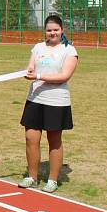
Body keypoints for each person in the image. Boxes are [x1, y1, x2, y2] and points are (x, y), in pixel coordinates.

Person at [18, 15, 78, 193]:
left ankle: (52, 180)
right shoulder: (38, 47)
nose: (52, 33)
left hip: (56, 101)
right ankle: (32, 177)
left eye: (55, 30)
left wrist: (38, 76)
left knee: (54, 140)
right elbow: (31, 68)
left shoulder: (69, 51)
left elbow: (64, 77)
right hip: (35, 99)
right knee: (31, 138)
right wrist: (30, 72)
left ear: (62, 30)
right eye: (49, 30)